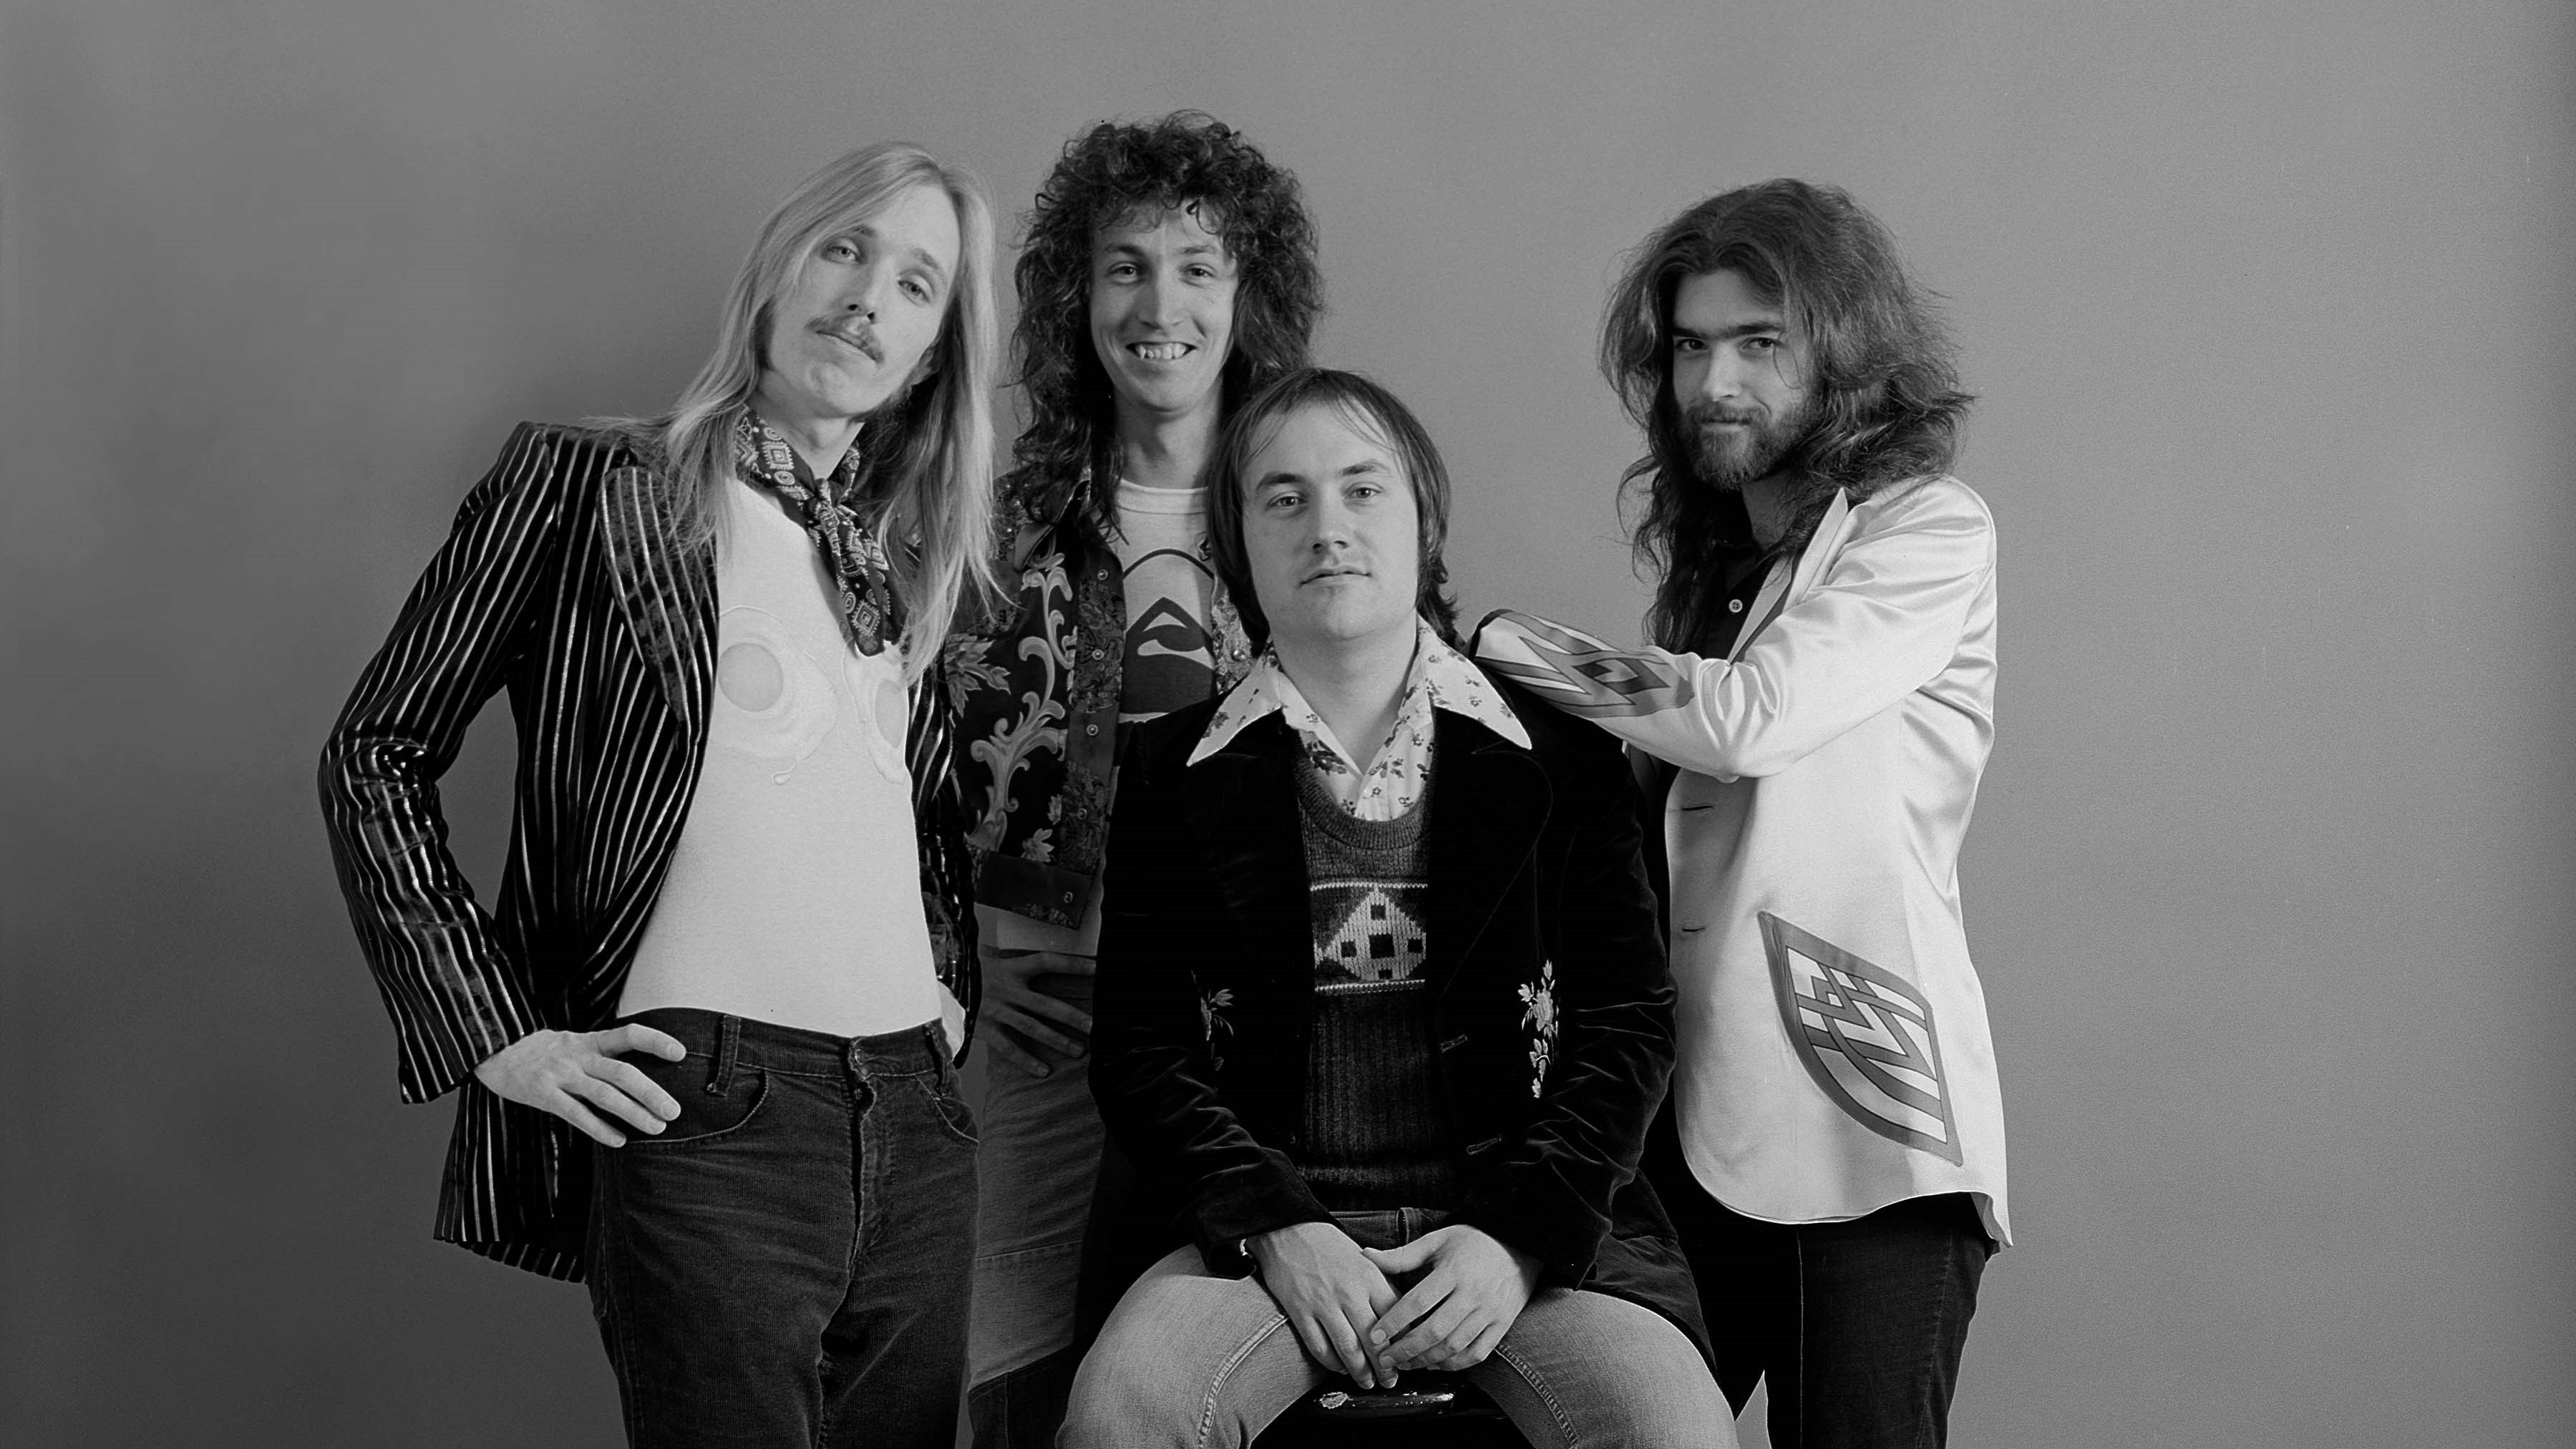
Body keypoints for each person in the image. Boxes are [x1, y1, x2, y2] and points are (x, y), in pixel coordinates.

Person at [317, 141, 1001, 1449]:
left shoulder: (897, 568)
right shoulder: (586, 485)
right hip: (710, 1112)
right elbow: (376, 749)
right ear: (774, 271)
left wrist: (946, 987)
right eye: (844, 249)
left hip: (919, 1123)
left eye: (918, 285)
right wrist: (493, 1029)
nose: (869, 297)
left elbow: (910, 818)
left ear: (932, 354)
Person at [1061, 369, 1732, 1449]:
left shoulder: (1563, 755)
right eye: (1284, 498)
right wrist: (1275, 1223)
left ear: (1424, 518)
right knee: (1124, 1407)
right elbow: (1143, 1046)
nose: (1327, 527)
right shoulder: (1168, 768)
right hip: (1264, 1243)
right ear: (1238, 542)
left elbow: (1627, 1023)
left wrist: (1516, 1237)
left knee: (1673, 1426)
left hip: (1522, 1243)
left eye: (1362, 491)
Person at [1473, 178, 2007, 1448]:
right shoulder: (1717, 587)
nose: (1716, 379)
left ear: (1846, 356)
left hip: (1864, 1131)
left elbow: (1751, 717)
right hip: (1676, 1145)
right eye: (1691, 346)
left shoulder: (1929, 532)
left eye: (1760, 344)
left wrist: (1489, 642)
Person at [943, 111, 1321, 1446]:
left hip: (1254, 1048)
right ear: (1075, 294)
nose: (1160, 304)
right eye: (1125, 265)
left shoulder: (1315, 502)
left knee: (1203, 1388)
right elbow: (887, 760)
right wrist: (968, 950)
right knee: (1020, 1392)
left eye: (1199, 267)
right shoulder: (986, 514)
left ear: (1248, 296)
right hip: (1037, 1035)